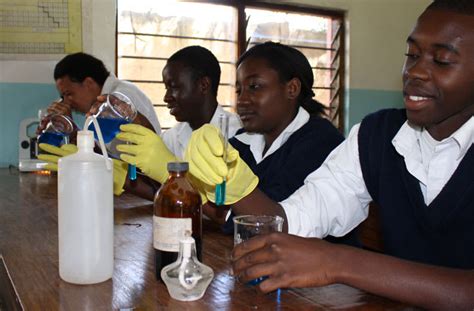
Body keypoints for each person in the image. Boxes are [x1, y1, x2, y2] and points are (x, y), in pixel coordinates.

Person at [184, 0, 474, 309]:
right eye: (412, 55)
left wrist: (338, 261)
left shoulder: (319, 138)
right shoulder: (376, 136)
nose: (415, 71)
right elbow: (293, 220)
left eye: (442, 60)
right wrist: (234, 180)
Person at [218, 42, 356, 245]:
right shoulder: (242, 141)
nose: (242, 100)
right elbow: (219, 211)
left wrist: (223, 210)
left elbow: (267, 222)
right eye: (239, 91)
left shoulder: (320, 141)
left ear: (292, 89)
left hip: (321, 270)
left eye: (255, 87)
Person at [115, 45, 241, 200]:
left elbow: (224, 206)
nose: (166, 97)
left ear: (203, 85)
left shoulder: (235, 134)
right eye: (166, 88)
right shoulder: (174, 135)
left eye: (174, 87)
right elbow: (157, 185)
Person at [37, 52, 161, 196]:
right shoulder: (99, 108)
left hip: (144, 189)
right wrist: (67, 128)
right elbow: (101, 154)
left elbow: (122, 167)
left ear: (89, 83)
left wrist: (74, 132)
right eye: (62, 97)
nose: (66, 102)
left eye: (69, 94)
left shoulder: (119, 100)